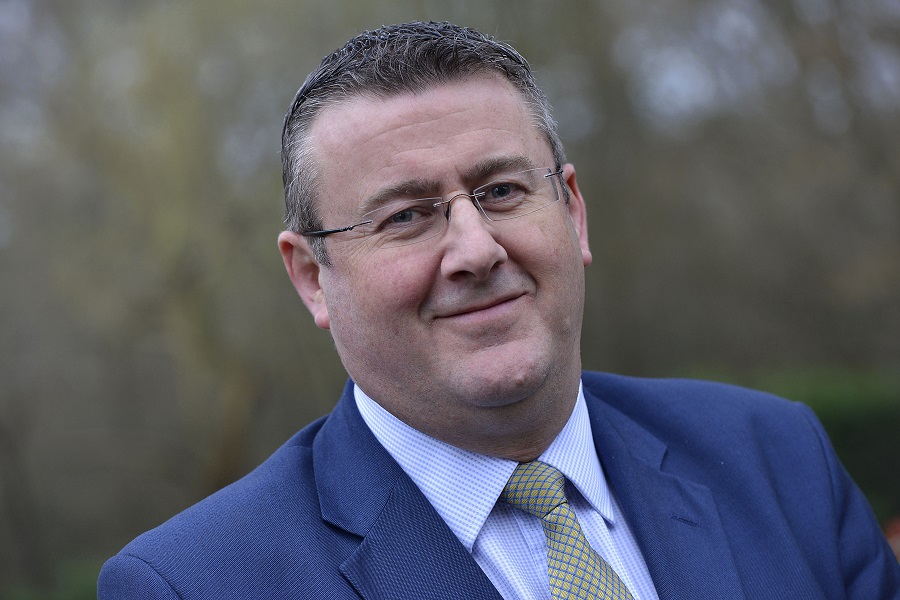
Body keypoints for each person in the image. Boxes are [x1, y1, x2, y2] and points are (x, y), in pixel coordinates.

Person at [98, 21, 900, 599]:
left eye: (503, 191)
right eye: (406, 216)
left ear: (573, 213)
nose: (476, 250)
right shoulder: (199, 583)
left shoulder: (775, 459)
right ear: (312, 276)